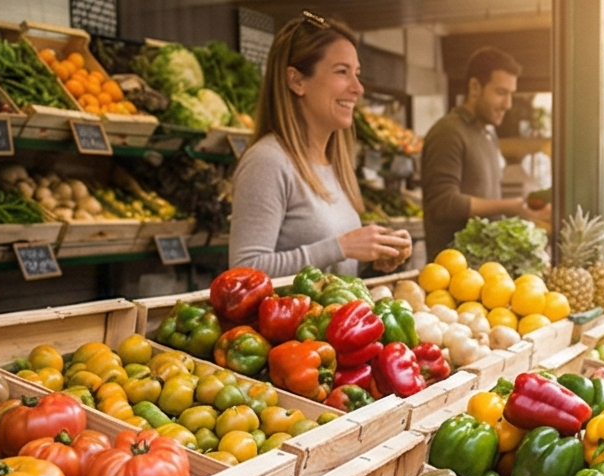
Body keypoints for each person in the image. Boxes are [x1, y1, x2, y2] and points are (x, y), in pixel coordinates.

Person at [229, 12, 411, 277]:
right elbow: (244, 272)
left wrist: (374, 254)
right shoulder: (268, 161)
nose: (358, 88)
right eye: (342, 72)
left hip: (334, 317)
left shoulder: (335, 164)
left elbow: (328, 265)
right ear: (297, 81)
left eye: (357, 74)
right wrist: (341, 247)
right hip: (295, 320)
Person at [422, 47, 545, 255]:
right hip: (451, 273)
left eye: (511, 95)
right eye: (500, 93)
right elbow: (443, 204)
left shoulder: (488, 134)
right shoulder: (448, 132)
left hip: (482, 269)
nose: (508, 104)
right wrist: (509, 206)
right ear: (475, 87)